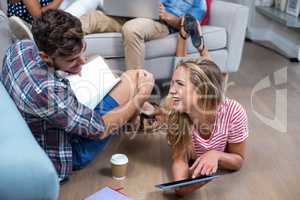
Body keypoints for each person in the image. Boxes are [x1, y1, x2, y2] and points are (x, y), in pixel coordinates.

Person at [0, 9, 154, 182]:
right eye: (72, 60)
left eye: (83, 49)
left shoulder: (21, 47)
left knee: (106, 70)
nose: (82, 60)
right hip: (64, 153)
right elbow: (100, 129)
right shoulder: (48, 93)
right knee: (134, 79)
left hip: (49, 124)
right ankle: (135, 117)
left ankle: (133, 119)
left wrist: (69, 67)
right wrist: (141, 97)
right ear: (45, 56)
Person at [158, 15, 248, 196]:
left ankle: (200, 47)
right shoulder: (175, 113)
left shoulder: (234, 112)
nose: (172, 90)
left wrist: (217, 155)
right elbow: (179, 161)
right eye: (173, 85)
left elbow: (238, 161)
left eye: (179, 85)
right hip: (184, 105)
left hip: (211, 100)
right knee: (182, 72)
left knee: (213, 78)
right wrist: (182, 187)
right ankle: (185, 37)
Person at [79, 0, 207, 70]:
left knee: (132, 28)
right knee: (92, 18)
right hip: (129, 14)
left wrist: (169, 17)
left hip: (160, 23)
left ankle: (135, 88)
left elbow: (191, 25)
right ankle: (61, 66)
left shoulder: (199, 2)